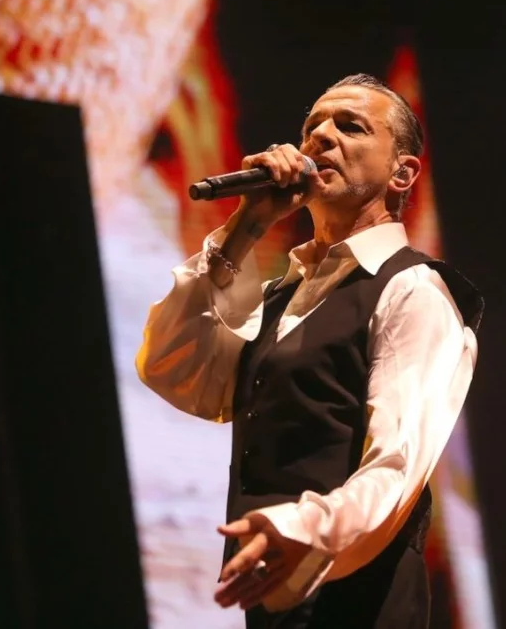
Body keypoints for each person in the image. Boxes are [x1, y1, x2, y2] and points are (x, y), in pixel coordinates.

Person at [136, 73, 484, 628]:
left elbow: (395, 467)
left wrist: (301, 528)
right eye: (312, 127)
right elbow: (174, 369)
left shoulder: (412, 291)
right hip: (278, 606)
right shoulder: (281, 298)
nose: (320, 137)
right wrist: (248, 224)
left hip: (359, 610)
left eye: (350, 127)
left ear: (402, 172)